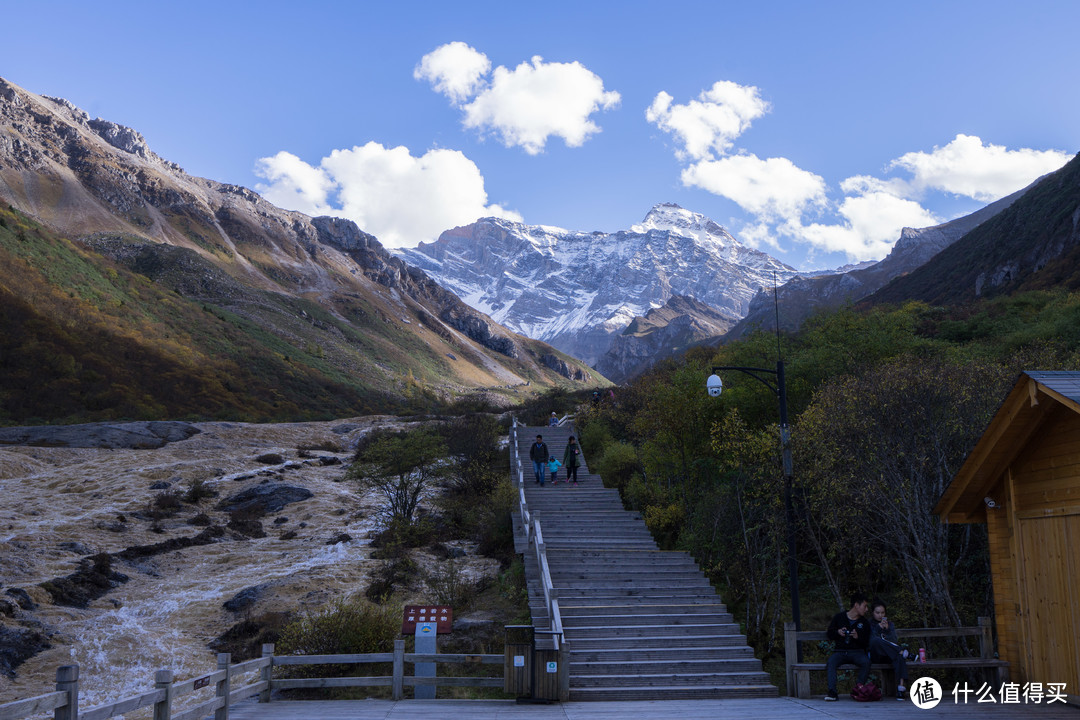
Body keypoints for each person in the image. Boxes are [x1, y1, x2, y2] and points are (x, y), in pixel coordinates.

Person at [825, 592, 871, 701]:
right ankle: (832, 692)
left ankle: (858, 689)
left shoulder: (864, 622)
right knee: (831, 662)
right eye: (865, 606)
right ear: (856, 605)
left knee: (866, 662)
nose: (867, 609)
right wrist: (838, 632)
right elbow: (829, 634)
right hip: (840, 651)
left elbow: (866, 642)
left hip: (857, 652)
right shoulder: (839, 617)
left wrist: (857, 637)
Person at [869, 599, 909, 700]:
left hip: (889, 655)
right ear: (872, 613)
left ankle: (901, 690)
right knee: (876, 640)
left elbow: (894, 640)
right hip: (876, 655)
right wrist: (878, 628)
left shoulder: (890, 624)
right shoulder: (869, 624)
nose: (880, 615)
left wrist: (887, 630)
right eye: (877, 612)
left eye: (882, 612)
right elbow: (870, 642)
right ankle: (901, 650)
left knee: (899, 656)